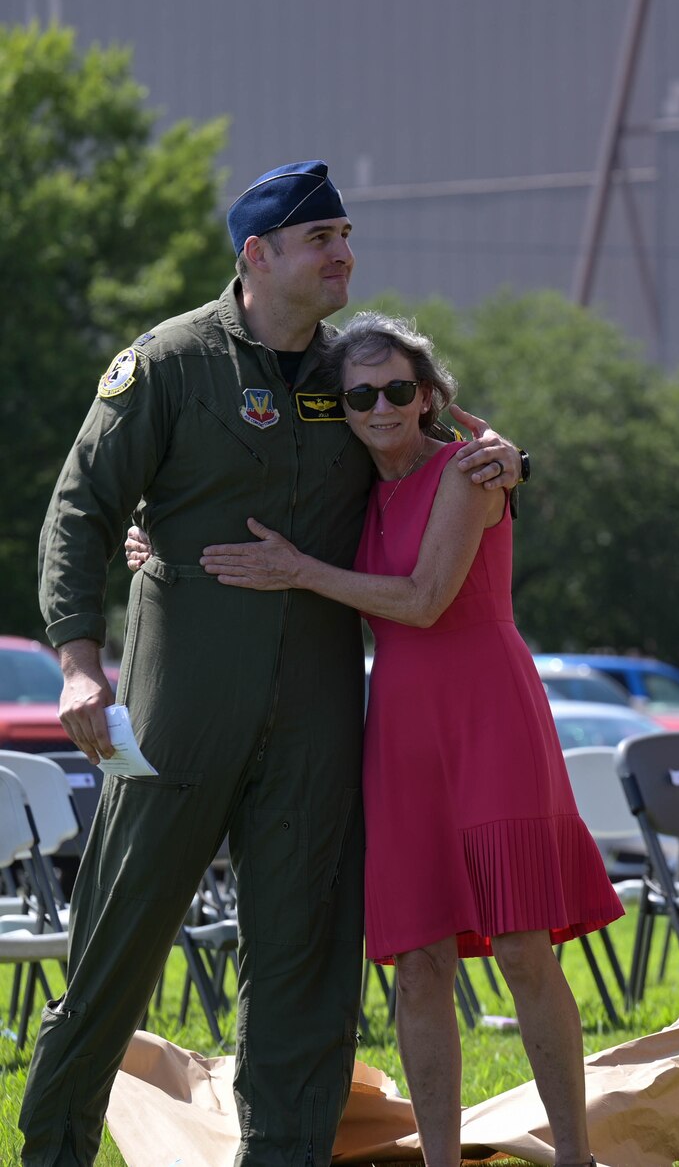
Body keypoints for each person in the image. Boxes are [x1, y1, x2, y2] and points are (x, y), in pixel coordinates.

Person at [26, 161, 522, 1167]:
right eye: (320, 236)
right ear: (257, 256)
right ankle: (55, 1146)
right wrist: (79, 662)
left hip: (317, 714)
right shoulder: (169, 362)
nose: (343, 252)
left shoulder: (356, 375)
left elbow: (457, 443)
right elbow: (82, 506)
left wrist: (511, 458)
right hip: (179, 712)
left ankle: (286, 1152)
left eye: (345, 232)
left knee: (305, 959)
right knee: (118, 945)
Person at [194, 311, 622, 1167]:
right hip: (399, 727)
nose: (381, 405)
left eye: (398, 388)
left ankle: (577, 1157)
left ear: (429, 396)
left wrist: (304, 571)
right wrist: (148, 540)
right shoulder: (353, 484)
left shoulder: (469, 468)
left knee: (520, 948)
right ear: (341, 405)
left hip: (490, 716)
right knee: (418, 960)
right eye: (362, 393)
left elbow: (426, 599)